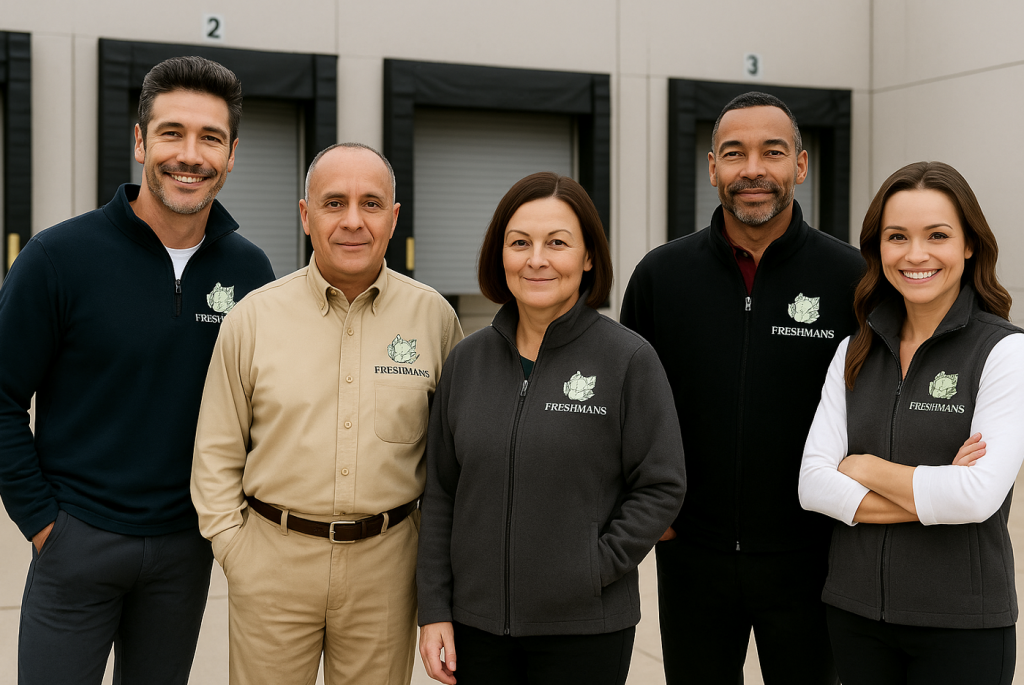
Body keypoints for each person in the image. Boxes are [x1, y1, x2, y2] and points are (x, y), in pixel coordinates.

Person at [0, 56, 275, 684]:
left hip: (185, 549)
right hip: (76, 542)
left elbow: (264, 407)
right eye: (173, 132)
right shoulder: (57, 258)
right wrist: (44, 523)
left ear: (232, 154)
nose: (190, 154)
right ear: (140, 141)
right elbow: (2, 394)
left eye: (210, 138)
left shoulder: (251, 272)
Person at [191, 142, 463, 685]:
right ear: (305, 215)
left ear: (394, 217)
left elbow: (452, 460)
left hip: (387, 571)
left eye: (371, 203)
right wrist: (235, 551)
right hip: (271, 564)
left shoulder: (433, 318)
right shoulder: (253, 319)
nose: (353, 221)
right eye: (334, 203)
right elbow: (216, 450)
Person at [619, 91, 865, 684]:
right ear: (712, 168)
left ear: (800, 166)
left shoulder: (851, 279)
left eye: (771, 152)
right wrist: (657, 515)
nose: (752, 169)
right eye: (734, 153)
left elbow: (882, 399)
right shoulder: (661, 276)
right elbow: (624, 410)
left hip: (814, 560)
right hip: (692, 558)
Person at [417, 172, 686, 685]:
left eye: (557, 243)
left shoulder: (628, 359)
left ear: (588, 258)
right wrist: (434, 607)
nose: (536, 259)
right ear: (501, 254)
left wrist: (594, 567)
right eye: (520, 243)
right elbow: (441, 495)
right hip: (476, 628)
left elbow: (661, 484)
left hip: (585, 630)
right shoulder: (466, 361)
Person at [799, 161, 1024, 685]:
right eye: (897, 236)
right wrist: (936, 489)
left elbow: (976, 497)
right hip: (854, 617)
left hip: (962, 624)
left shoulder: (1005, 352)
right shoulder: (852, 351)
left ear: (970, 245)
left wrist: (863, 467)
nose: (916, 254)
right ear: (879, 249)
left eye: (937, 236)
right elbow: (812, 485)